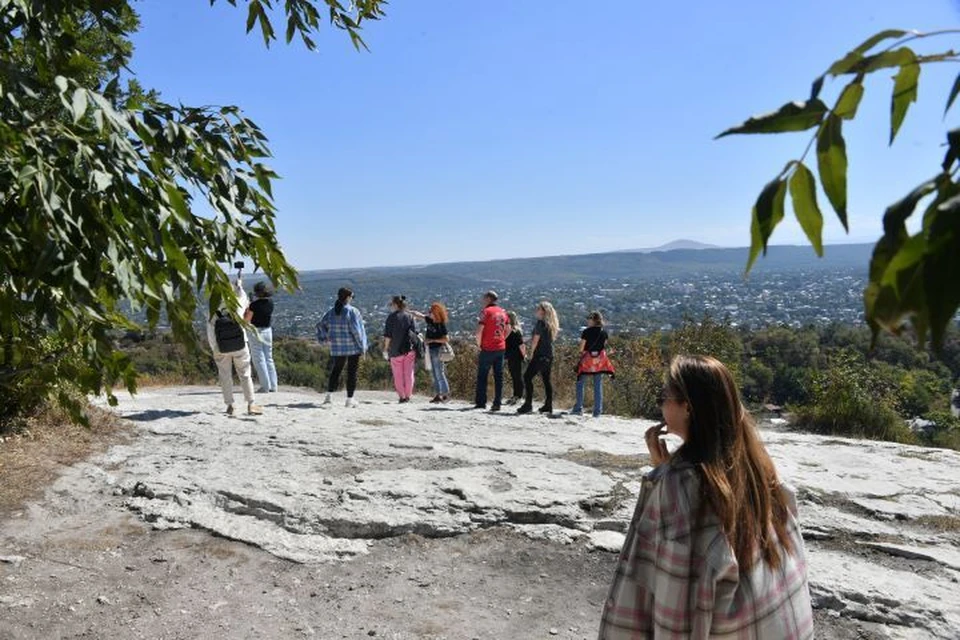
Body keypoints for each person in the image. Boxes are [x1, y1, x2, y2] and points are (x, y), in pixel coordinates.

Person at [597, 355, 813, 639]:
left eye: (664, 397)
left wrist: (667, 477)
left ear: (687, 406)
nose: (661, 404)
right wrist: (666, 468)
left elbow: (676, 610)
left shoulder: (677, 488)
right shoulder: (755, 466)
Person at [206, 277, 262, 416]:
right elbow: (244, 299)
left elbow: (210, 330)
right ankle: (251, 403)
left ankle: (230, 405)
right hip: (239, 344)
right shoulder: (237, 303)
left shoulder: (212, 308)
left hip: (220, 346)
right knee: (245, 374)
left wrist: (215, 347)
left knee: (225, 375)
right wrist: (239, 285)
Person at [317, 287, 367, 408]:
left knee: (336, 371)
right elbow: (357, 332)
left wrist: (325, 339)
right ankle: (349, 399)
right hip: (353, 347)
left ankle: (329, 396)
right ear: (348, 298)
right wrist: (363, 347)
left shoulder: (331, 312)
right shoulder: (352, 311)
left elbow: (320, 325)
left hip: (337, 347)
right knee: (352, 372)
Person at [517, 301, 559, 415]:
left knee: (527, 377)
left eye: (538, 308)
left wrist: (531, 353)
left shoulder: (540, 323)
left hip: (539, 355)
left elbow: (535, 340)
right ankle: (548, 405)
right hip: (549, 355)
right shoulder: (550, 324)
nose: (536, 310)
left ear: (543, 311)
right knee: (546, 380)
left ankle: (528, 404)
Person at [570, 311, 614, 417]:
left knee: (580, 382)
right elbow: (604, 347)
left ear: (593, 320)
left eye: (589, 319)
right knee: (598, 385)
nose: (587, 320)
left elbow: (581, 348)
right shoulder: (604, 332)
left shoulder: (586, 332)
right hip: (599, 362)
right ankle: (597, 411)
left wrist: (581, 354)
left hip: (587, 361)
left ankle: (578, 408)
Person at [474, 290, 510, 411]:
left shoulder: (486, 312)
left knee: (482, 375)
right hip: (500, 348)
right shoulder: (503, 312)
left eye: (484, 298)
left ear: (489, 299)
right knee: (498, 376)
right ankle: (497, 402)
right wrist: (502, 339)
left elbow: (479, 330)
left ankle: (481, 402)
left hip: (487, 348)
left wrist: (479, 345)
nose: (482, 300)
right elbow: (509, 328)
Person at [412, 302, 450, 403]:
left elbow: (446, 339)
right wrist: (410, 312)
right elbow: (420, 315)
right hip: (430, 350)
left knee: (439, 373)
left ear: (436, 312)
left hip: (437, 350)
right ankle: (438, 395)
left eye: (431, 311)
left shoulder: (440, 324)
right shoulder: (430, 320)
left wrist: (432, 341)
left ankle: (445, 394)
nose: (429, 313)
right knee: (434, 373)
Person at [244, 281, 278, 394]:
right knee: (269, 358)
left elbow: (246, 320)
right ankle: (273, 385)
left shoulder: (254, 305)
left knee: (259, 359)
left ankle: (265, 386)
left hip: (255, 331)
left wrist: (247, 308)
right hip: (268, 331)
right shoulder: (270, 303)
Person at [383, 295, 417, 403]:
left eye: (392, 304)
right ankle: (408, 395)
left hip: (395, 350)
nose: (391, 307)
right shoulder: (410, 317)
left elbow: (388, 336)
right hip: (409, 349)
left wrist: (385, 349)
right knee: (409, 373)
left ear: (396, 305)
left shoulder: (391, 318)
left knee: (398, 374)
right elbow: (414, 334)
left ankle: (402, 397)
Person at [504, 311, 525, 405]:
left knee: (517, 376)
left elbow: (521, 345)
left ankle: (518, 396)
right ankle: (516, 395)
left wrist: (524, 355)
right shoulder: (514, 330)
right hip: (513, 356)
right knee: (515, 376)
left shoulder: (514, 331)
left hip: (514, 356)